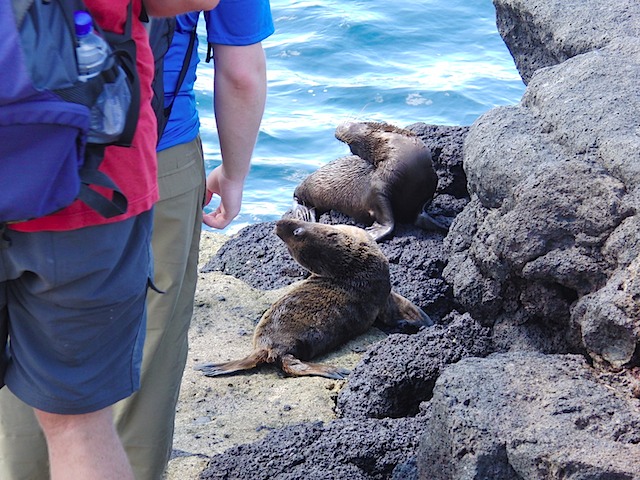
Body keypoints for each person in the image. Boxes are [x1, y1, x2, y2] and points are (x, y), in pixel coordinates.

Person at [0, 1, 273, 479]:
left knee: (20, 381)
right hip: (114, 170)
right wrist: (234, 172)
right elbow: (241, 71)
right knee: (105, 395)